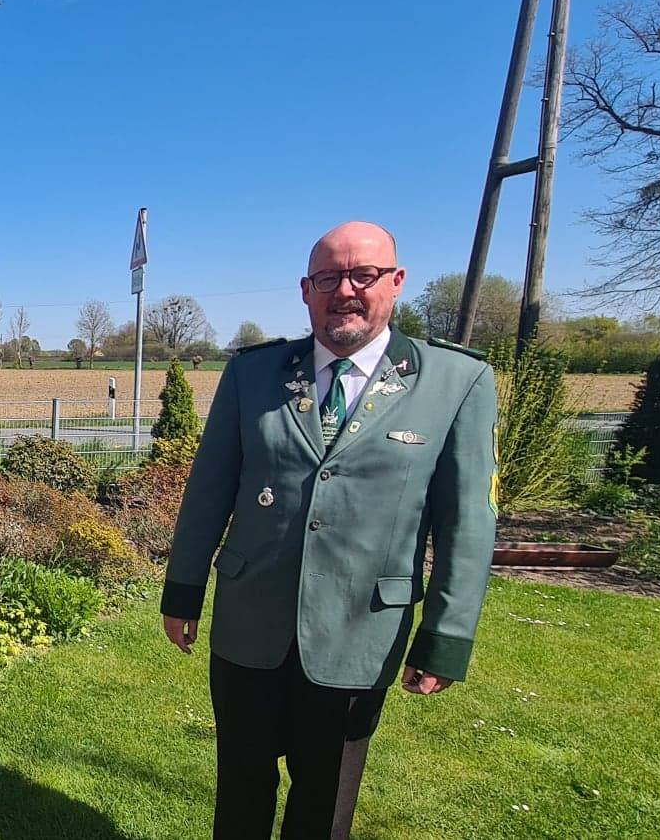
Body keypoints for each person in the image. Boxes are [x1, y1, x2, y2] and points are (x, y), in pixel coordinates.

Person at [160, 222, 498, 840]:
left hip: (359, 631)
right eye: (327, 278)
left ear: (395, 282)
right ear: (306, 290)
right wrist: (183, 591)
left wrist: (445, 637)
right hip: (249, 623)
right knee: (240, 790)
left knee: (324, 802)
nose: (345, 291)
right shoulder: (253, 375)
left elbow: (467, 524)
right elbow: (209, 490)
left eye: (363, 275)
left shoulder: (456, 382)